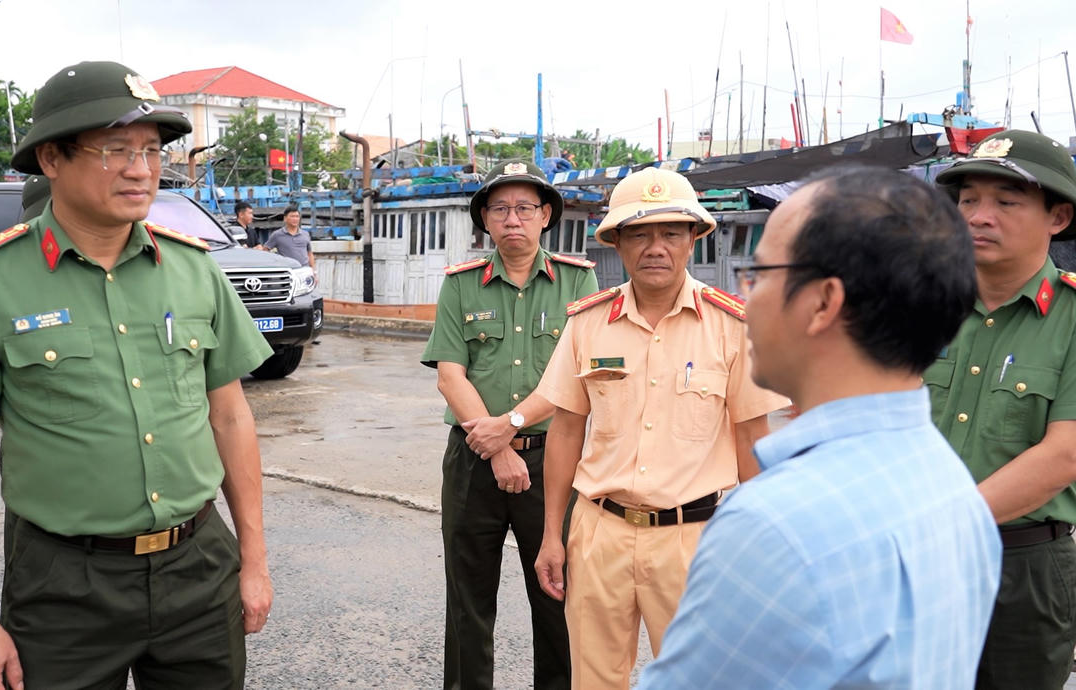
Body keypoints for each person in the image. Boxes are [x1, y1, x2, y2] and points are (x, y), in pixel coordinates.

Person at [0, 61, 274, 689]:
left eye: (153, 150)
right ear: (51, 159)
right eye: (114, 150)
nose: (141, 169)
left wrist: (254, 561)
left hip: (198, 568)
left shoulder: (195, 271)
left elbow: (230, 415)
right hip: (63, 585)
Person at [637, 165, 1002, 688]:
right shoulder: (953, 487)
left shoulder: (772, 526)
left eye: (759, 275)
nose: (747, 299)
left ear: (824, 302)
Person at [533, 166, 788, 689]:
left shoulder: (734, 327)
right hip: (599, 532)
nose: (656, 247)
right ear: (618, 244)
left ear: (692, 240)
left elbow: (752, 442)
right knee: (594, 680)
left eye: (671, 233)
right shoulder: (586, 323)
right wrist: (551, 537)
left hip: (694, 540)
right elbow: (564, 432)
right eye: (640, 233)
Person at [421, 159, 599, 689]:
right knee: (468, 602)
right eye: (499, 209)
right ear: (485, 220)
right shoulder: (460, 285)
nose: (512, 219)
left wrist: (514, 425)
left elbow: (577, 377)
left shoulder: (578, 279)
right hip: (473, 460)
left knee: (556, 593)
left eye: (524, 208)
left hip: (552, 460)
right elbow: (451, 376)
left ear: (546, 215)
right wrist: (497, 446)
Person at [929, 129, 1076, 690]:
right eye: (968, 201)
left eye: (1006, 202)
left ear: (1057, 218)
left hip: (1024, 570)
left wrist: (939, 525)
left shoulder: (1070, 318)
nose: (978, 216)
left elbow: (1063, 455)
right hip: (915, 561)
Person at [264, 206, 315, 271]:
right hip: (287, 271)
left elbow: (309, 254)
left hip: (304, 270)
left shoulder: (305, 234)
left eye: (297, 216)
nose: (295, 219)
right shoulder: (277, 235)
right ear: (285, 218)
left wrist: (314, 271)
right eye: (292, 216)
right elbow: (265, 250)